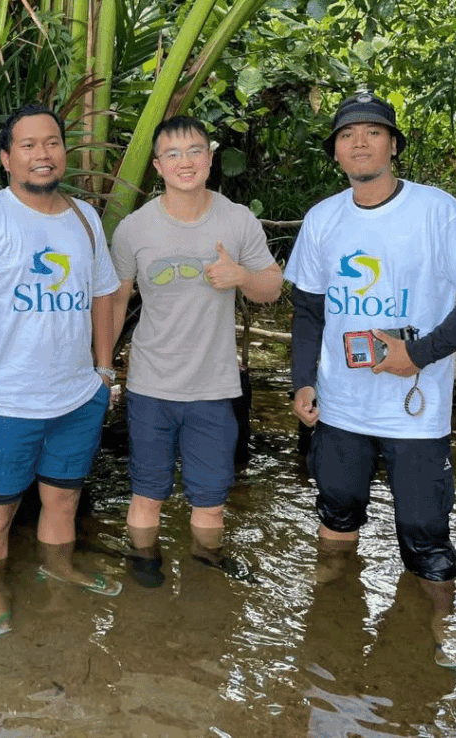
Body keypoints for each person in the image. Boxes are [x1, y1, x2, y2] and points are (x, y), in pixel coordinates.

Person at [285, 91, 456, 667]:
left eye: (373, 132)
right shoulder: (323, 218)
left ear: (394, 145)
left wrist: (420, 354)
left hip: (415, 407)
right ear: (335, 152)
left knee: (426, 530)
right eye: (347, 135)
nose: (360, 142)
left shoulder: (437, 210)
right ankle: (331, 612)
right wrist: (302, 382)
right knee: (336, 512)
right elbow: (308, 310)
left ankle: (435, 631)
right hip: (340, 406)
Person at [0, 103, 121, 639]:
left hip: (75, 396)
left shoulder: (86, 218)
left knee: (63, 497)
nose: (42, 154)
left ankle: (59, 565)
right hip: (7, 401)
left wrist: (104, 373)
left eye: (51, 143)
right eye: (28, 145)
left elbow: (103, 295)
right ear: (5, 158)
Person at [110, 116, 281, 587]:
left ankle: (206, 568)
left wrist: (241, 277)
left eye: (194, 151)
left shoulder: (237, 219)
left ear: (209, 158)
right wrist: (104, 367)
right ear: (159, 166)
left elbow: (271, 287)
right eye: (173, 154)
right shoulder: (133, 228)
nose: (185, 162)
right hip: (150, 384)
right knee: (147, 493)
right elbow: (116, 299)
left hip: (214, 386)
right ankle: (143, 560)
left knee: (210, 500)